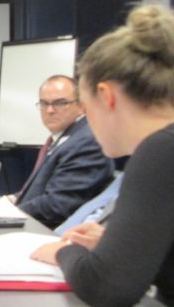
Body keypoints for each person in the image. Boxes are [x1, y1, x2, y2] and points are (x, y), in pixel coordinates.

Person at [31, 5, 174, 306]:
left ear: (106, 96)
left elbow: (106, 288)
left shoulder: (166, 151)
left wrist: (62, 251)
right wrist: (113, 245)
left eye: (87, 109)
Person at [54, 62, 174, 235]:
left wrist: (69, 250)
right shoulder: (146, 161)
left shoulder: (168, 164)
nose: (86, 123)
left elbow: (118, 255)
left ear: (107, 97)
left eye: (86, 108)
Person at [7, 75, 114, 229]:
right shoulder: (66, 137)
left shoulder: (87, 142)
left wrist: (9, 213)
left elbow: (58, 204)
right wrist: (12, 199)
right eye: (44, 103)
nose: (49, 110)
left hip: (48, 234)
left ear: (81, 105)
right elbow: (41, 190)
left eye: (61, 103)